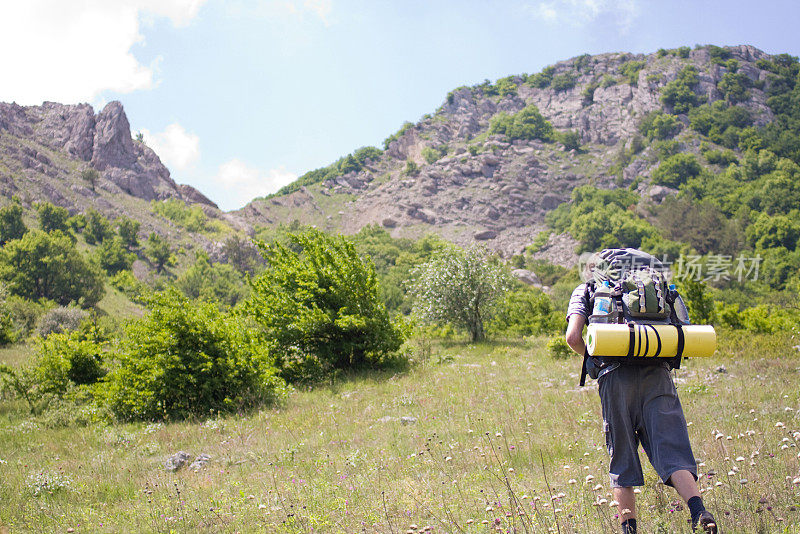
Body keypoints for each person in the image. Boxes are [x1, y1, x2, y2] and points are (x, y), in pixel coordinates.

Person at [565, 255, 718, 534]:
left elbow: (574, 338)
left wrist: (596, 361)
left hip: (615, 377)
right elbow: (681, 328)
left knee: (622, 455)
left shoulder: (588, 289)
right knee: (672, 448)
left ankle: (629, 529)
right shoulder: (654, 288)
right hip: (658, 375)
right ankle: (699, 511)